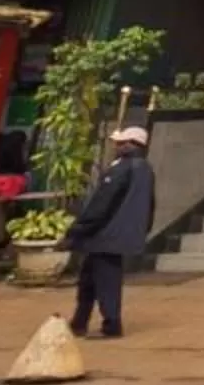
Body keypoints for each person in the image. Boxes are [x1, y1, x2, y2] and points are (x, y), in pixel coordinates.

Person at [64, 124, 156, 340]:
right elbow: (150, 205)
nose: (117, 145)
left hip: (105, 235)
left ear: (133, 145)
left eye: (122, 142)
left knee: (104, 281)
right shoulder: (144, 169)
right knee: (90, 278)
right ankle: (80, 321)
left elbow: (101, 205)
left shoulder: (121, 169)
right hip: (120, 234)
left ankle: (110, 323)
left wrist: (79, 228)